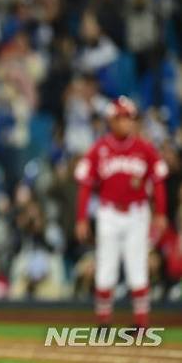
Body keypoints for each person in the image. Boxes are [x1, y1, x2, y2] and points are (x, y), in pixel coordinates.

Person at [75, 96, 168, 328]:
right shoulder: (100, 149)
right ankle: (104, 322)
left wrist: (161, 213)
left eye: (129, 118)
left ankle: (141, 324)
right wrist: (81, 218)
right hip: (109, 214)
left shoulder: (144, 148)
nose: (126, 122)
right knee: (106, 269)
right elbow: (85, 184)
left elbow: (158, 181)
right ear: (112, 121)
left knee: (137, 268)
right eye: (122, 118)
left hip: (137, 213)